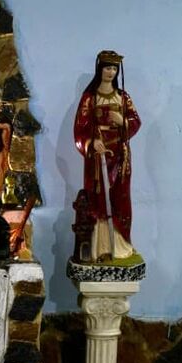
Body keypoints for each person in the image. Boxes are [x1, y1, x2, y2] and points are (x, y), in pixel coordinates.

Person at [73, 50, 141, 262]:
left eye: (114, 68)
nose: (111, 72)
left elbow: (136, 121)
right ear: (99, 69)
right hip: (98, 159)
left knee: (119, 198)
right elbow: (80, 128)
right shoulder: (90, 98)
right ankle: (100, 247)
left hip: (119, 157)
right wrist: (91, 142)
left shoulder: (123, 98)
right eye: (107, 68)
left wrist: (123, 122)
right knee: (99, 200)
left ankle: (119, 245)